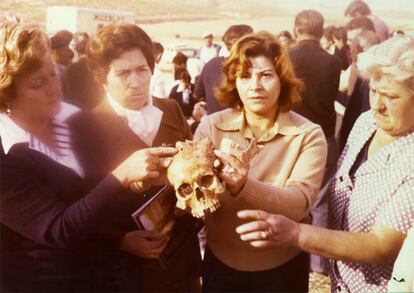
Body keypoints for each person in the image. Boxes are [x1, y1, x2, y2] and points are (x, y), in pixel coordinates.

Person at [0, 22, 177, 292]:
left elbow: (96, 196)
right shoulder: (6, 154)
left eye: (52, 73)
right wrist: (122, 176)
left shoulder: (75, 119)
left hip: (105, 276)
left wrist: (143, 182)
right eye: (38, 82)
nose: (53, 87)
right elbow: (59, 229)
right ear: (6, 93)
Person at [236, 35, 414, 292]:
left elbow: (383, 245)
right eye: (374, 91)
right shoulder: (366, 123)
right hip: (341, 284)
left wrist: (297, 234)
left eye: (391, 96)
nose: (378, 105)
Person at [194, 32, 327, 292]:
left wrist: (244, 185)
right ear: (234, 82)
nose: (255, 85)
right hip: (221, 265)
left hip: (282, 270)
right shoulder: (211, 127)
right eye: (245, 76)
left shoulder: (308, 135)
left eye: (266, 75)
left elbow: (298, 204)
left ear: (282, 80)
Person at [86, 23, 202, 292]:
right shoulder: (87, 127)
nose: (136, 82)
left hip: (179, 257)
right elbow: (77, 207)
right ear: (103, 78)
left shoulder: (171, 110)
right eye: (123, 73)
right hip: (124, 270)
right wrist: (121, 240)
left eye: (142, 70)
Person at [288, 9, 342, 275]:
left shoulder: (286, 57)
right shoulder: (332, 63)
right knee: (320, 203)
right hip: (324, 135)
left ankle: (288, 253)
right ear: (321, 32)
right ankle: (319, 264)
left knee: (286, 195)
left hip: (290, 136)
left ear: (297, 29)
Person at [194, 24, 253, 114]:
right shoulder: (248, 67)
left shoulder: (210, 64)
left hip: (214, 123)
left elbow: (197, 94)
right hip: (240, 123)